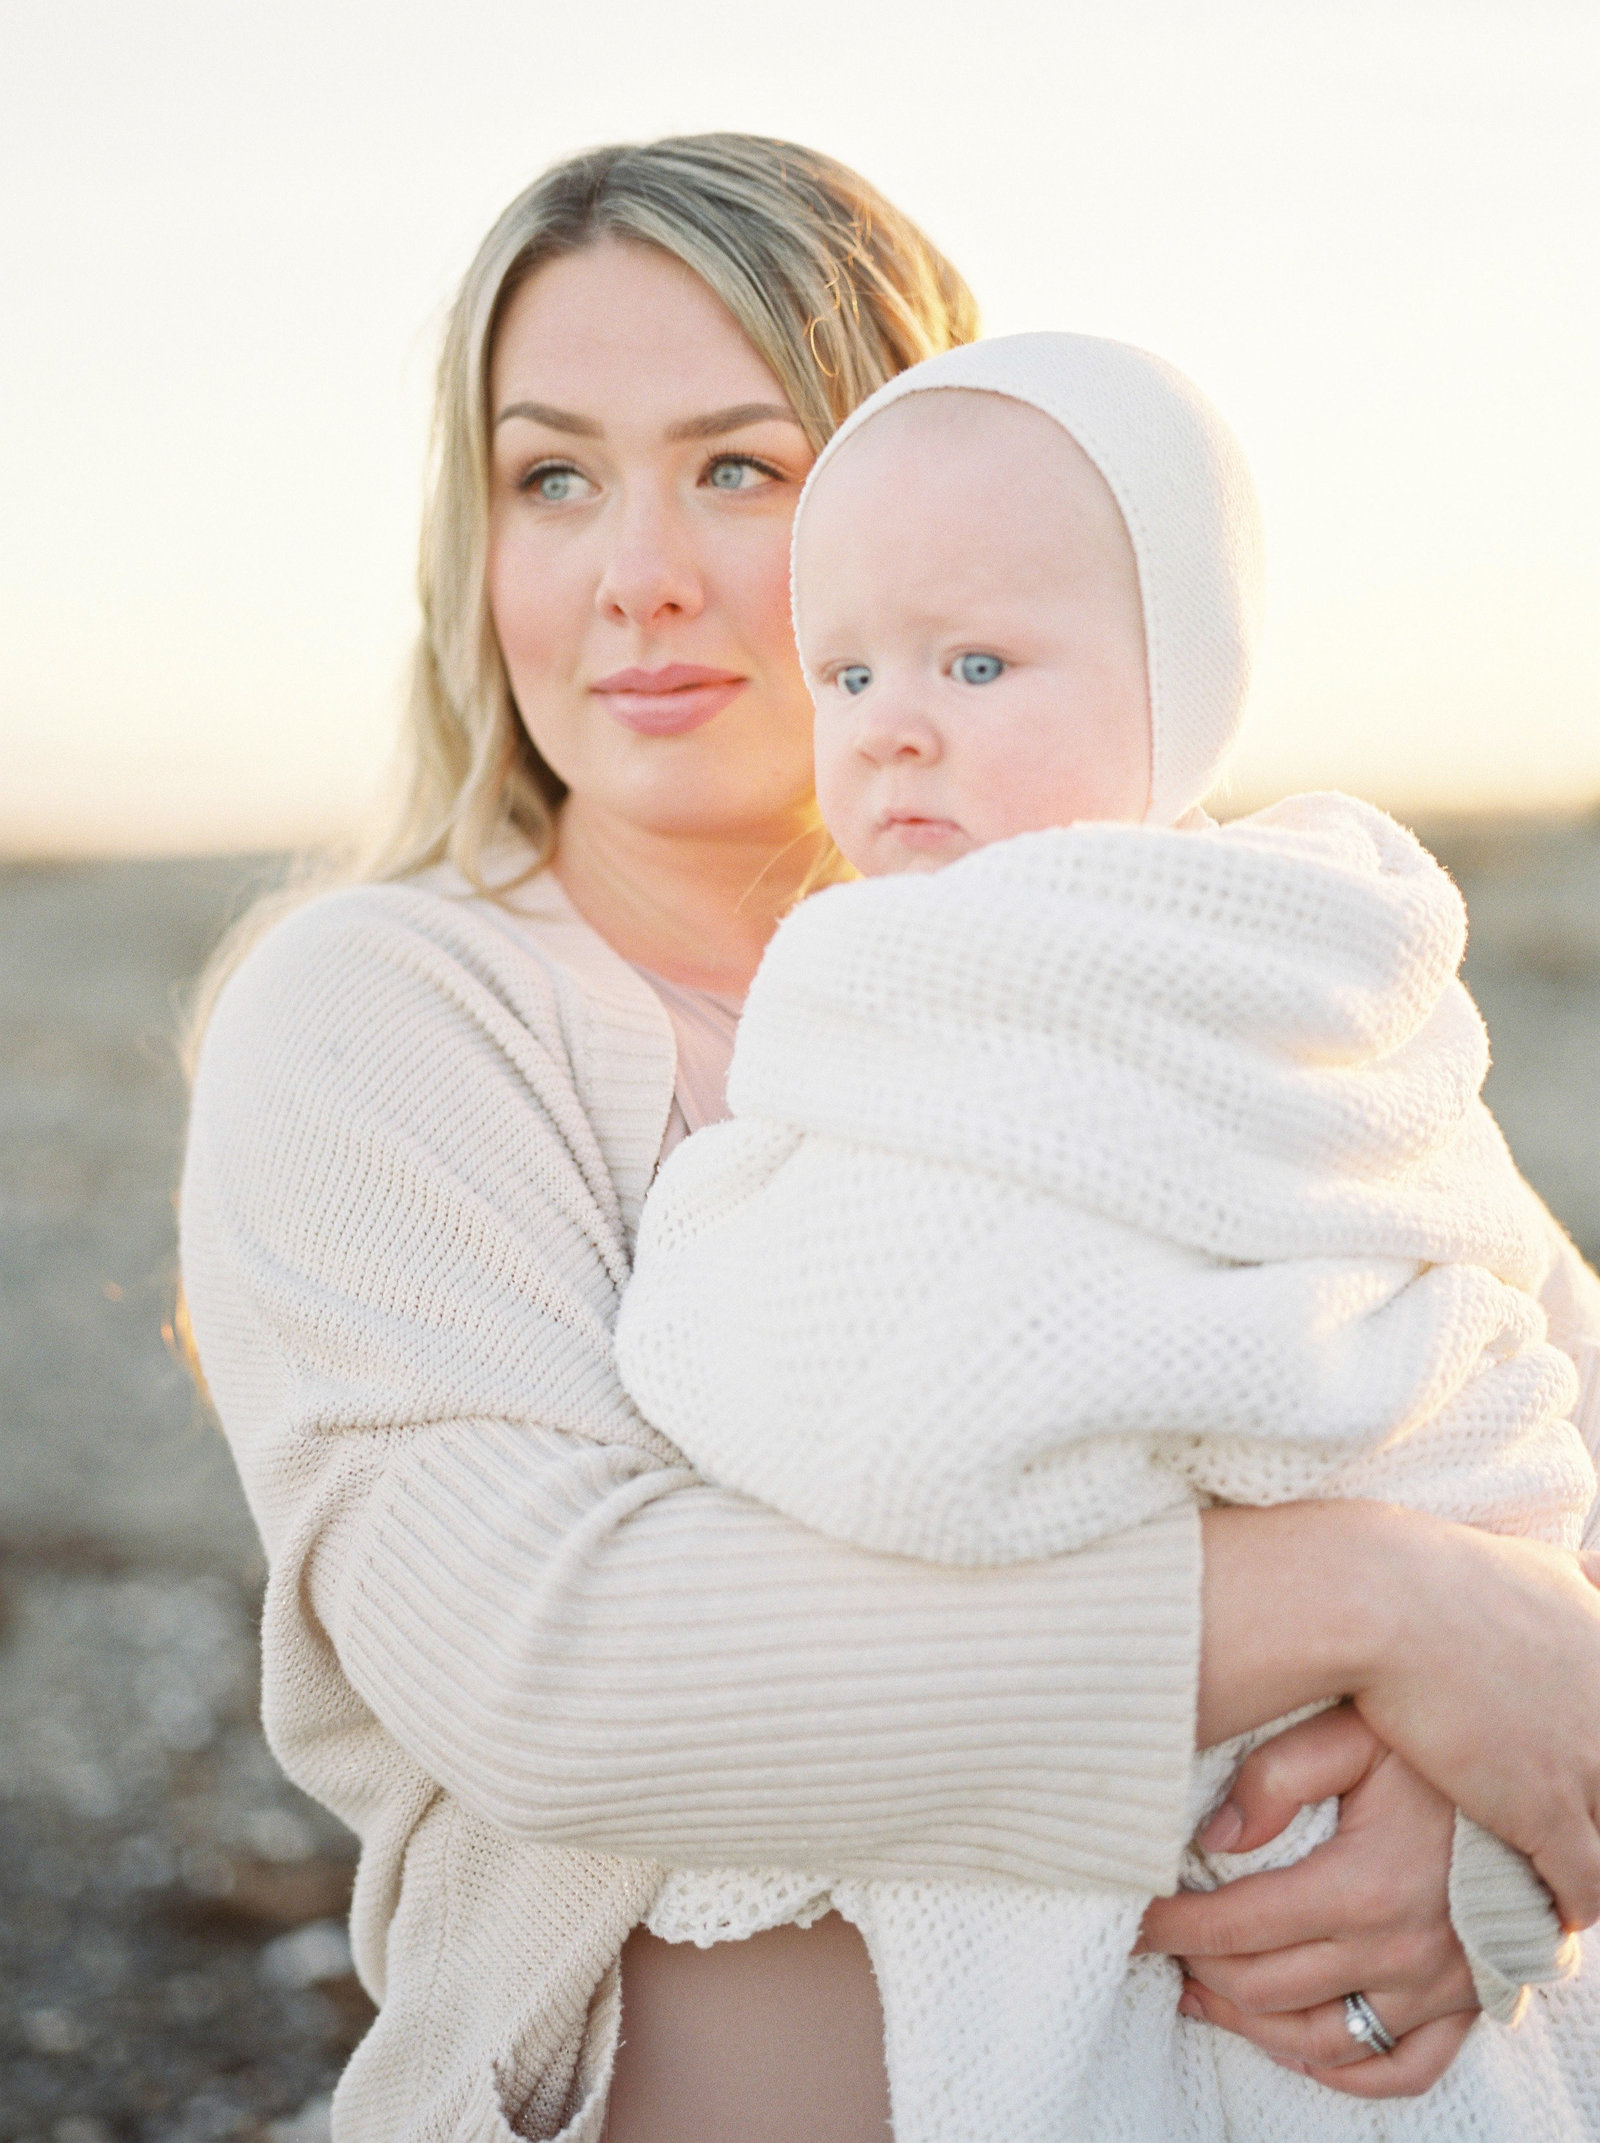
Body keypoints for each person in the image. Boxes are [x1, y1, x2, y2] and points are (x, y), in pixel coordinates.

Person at [178, 136, 1600, 2143]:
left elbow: (1533, 1414)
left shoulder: (1184, 959)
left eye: (739, 467)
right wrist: (1372, 1603)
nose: (634, 568)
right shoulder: (382, 1004)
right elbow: (548, 1659)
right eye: (549, 475)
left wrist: (1481, 1854)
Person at [612, 331, 1600, 2139]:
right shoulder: (882, 990)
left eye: (979, 663)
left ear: (1188, 686)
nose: (894, 720)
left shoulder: (1284, 989)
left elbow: (1471, 1321)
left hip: (1286, 1786)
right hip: (1123, 1755)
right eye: (846, 670)